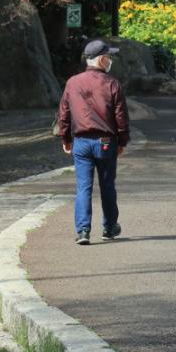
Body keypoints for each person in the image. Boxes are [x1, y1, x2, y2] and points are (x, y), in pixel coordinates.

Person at [58, 39, 130, 245]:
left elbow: (64, 112)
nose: (110, 60)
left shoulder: (73, 82)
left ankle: (83, 231)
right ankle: (109, 228)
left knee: (83, 187)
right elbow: (121, 116)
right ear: (102, 59)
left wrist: (66, 138)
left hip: (80, 141)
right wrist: (122, 140)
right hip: (106, 142)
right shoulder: (111, 83)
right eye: (109, 57)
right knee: (107, 185)